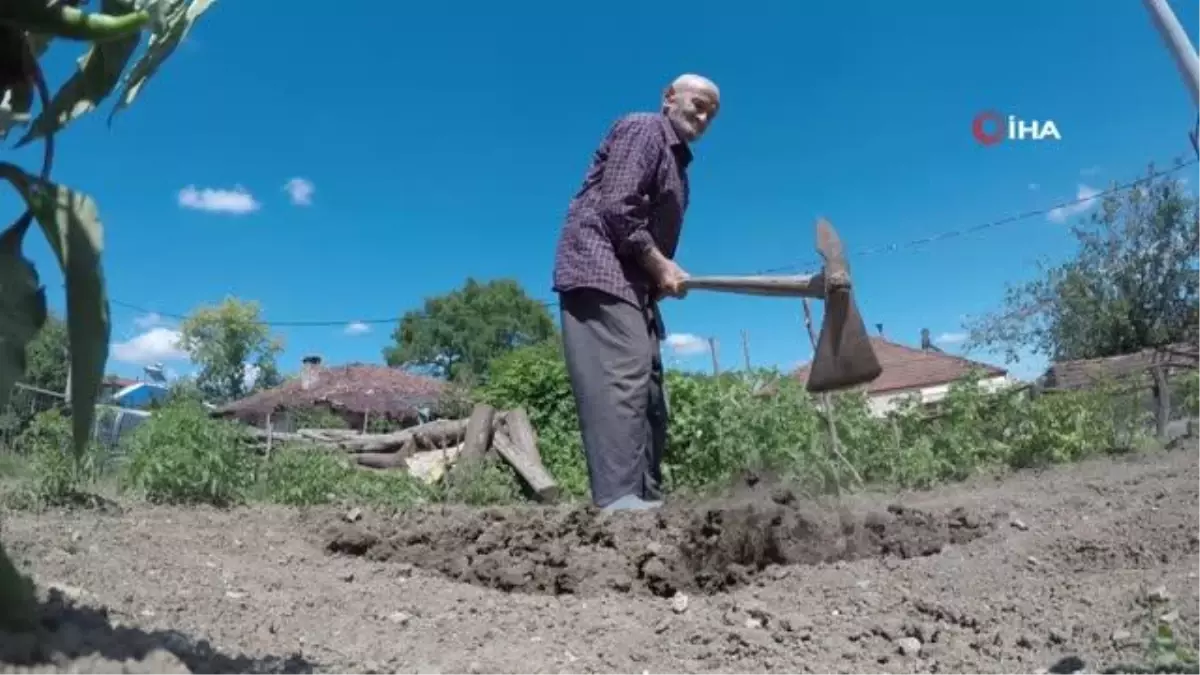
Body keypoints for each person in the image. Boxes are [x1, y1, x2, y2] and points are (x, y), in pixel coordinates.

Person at [551, 73, 721, 511]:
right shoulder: (644, 128)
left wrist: (659, 278)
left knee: (649, 388)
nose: (704, 117)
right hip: (599, 269)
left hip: (633, 285)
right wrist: (661, 265)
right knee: (621, 376)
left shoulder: (680, 170)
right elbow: (619, 206)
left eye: (712, 113)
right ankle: (618, 503)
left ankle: (645, 500)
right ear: (669, 98)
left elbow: (648, 237)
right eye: (699, 104)